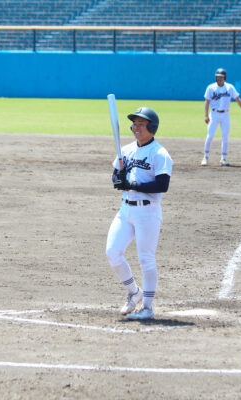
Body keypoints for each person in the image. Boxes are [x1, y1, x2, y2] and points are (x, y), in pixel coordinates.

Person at [105, 107, 173, 320]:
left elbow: (162, 185)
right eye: (134, 124)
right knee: (112, 252)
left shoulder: (160, 154)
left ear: (152, 127)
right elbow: (116, 174)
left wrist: (133, 184)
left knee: (146, 260)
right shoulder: (125, 150)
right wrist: (119, 179)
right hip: (125, 210)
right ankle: (134, 292)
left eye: (141, 124)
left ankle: (147, 308)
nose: (136, 127)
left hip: (148, 212)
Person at [202, 68, 241, 166]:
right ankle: (205, 157)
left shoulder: (229, 87)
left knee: (225, 137)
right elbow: (207, 101)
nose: (219, 78)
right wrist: (206, 115)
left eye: (221, 77)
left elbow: (238, 99)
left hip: (225, 115)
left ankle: (223, 158)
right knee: (210, 136)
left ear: (224, 77)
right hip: (214, 114)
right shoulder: (211, 87)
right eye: (217, 77)